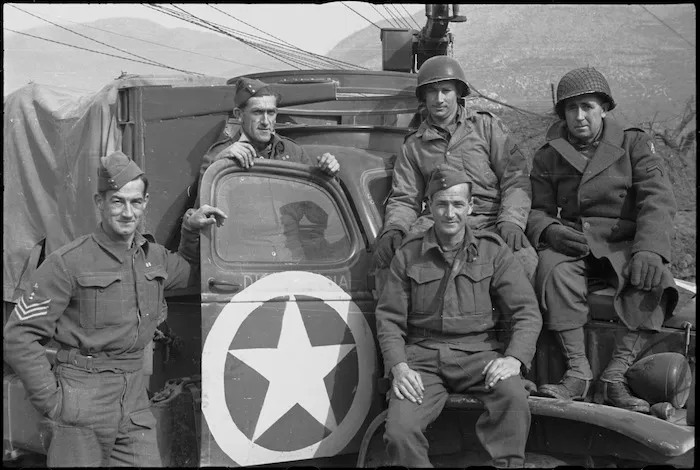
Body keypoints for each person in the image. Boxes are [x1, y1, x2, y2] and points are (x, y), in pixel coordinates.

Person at [3, 151, 227, 467]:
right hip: (81, 398)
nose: (127, 212)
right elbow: (18, 337)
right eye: (117, 202)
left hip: (134, 400)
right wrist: (54, 403)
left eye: (136, 202)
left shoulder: (155, 257)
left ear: (146, 202)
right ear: (100, 203)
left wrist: (190, 229)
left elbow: (192, 273)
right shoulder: (68, 263)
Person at [527, 67, 679, 412]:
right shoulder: (549, 154)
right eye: (570, 109)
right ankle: (578, 372)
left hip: (623, 242)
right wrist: (550, 230)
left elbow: (656, 198)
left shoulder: (634, 143)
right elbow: (536, 209)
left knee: (653, 282)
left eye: (587, 107)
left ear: (604, 108)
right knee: (551, 272)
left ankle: (615, 375)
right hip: (575, 241)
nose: (579, 116)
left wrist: (650, 249)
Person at [376, 164, 542, 467]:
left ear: (470, 206)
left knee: (513, 400)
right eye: (441, 204)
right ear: (428, 207)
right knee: (399, 432)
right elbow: (389, 319)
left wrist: (513, 360)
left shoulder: (493, 251)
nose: (449, 214)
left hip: (478, 355)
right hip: (422, 359)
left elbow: (526, 312)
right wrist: (399, 367)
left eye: (457, 204)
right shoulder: (409, 253)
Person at [374, 55, 538, 290]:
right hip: (438, 222)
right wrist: (395, 228)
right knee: (396, 265)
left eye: (446, 90)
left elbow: (515, 178)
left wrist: (511, 221)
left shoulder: (486, 128)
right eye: (432, 92)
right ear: (424, 97)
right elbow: (405, 198)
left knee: (526, 263)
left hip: (489, 220)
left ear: (458, 92)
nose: (439, 99)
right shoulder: (413, 145)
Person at [198, 77, 340, 186]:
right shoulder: (220, 154)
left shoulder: (293, 152)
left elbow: (314, 196)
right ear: (239, 115)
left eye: (271, 113)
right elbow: (202, 213)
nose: (266, 121)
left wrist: (328, 174)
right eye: (257, 112)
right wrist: (219, 164)